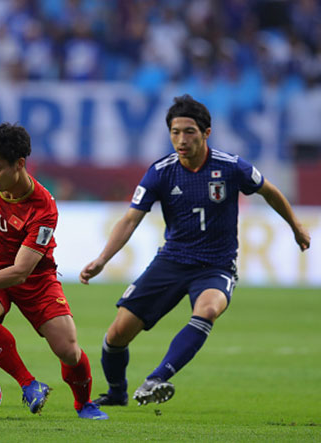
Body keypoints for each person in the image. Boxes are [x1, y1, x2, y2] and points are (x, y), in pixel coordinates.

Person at [79, 95, 311, 407]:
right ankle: (117, 392)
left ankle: (157, 378)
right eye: (175, 132)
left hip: (216, 266)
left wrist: (296, 227)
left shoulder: (231, 167)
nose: (181, 139)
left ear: (206, 133)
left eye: (189, 132)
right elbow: (131, 218)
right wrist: (102, 260)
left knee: (208, 310)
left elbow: (269, 191)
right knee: (117, 334)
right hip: (172, 261)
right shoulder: (161, 171)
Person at [0, 123, 108, 420]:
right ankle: (29, 384)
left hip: (34, 278)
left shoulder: (43, 208)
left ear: (20, 164)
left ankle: (84, 404)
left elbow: (20, 272)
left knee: (68, 349)